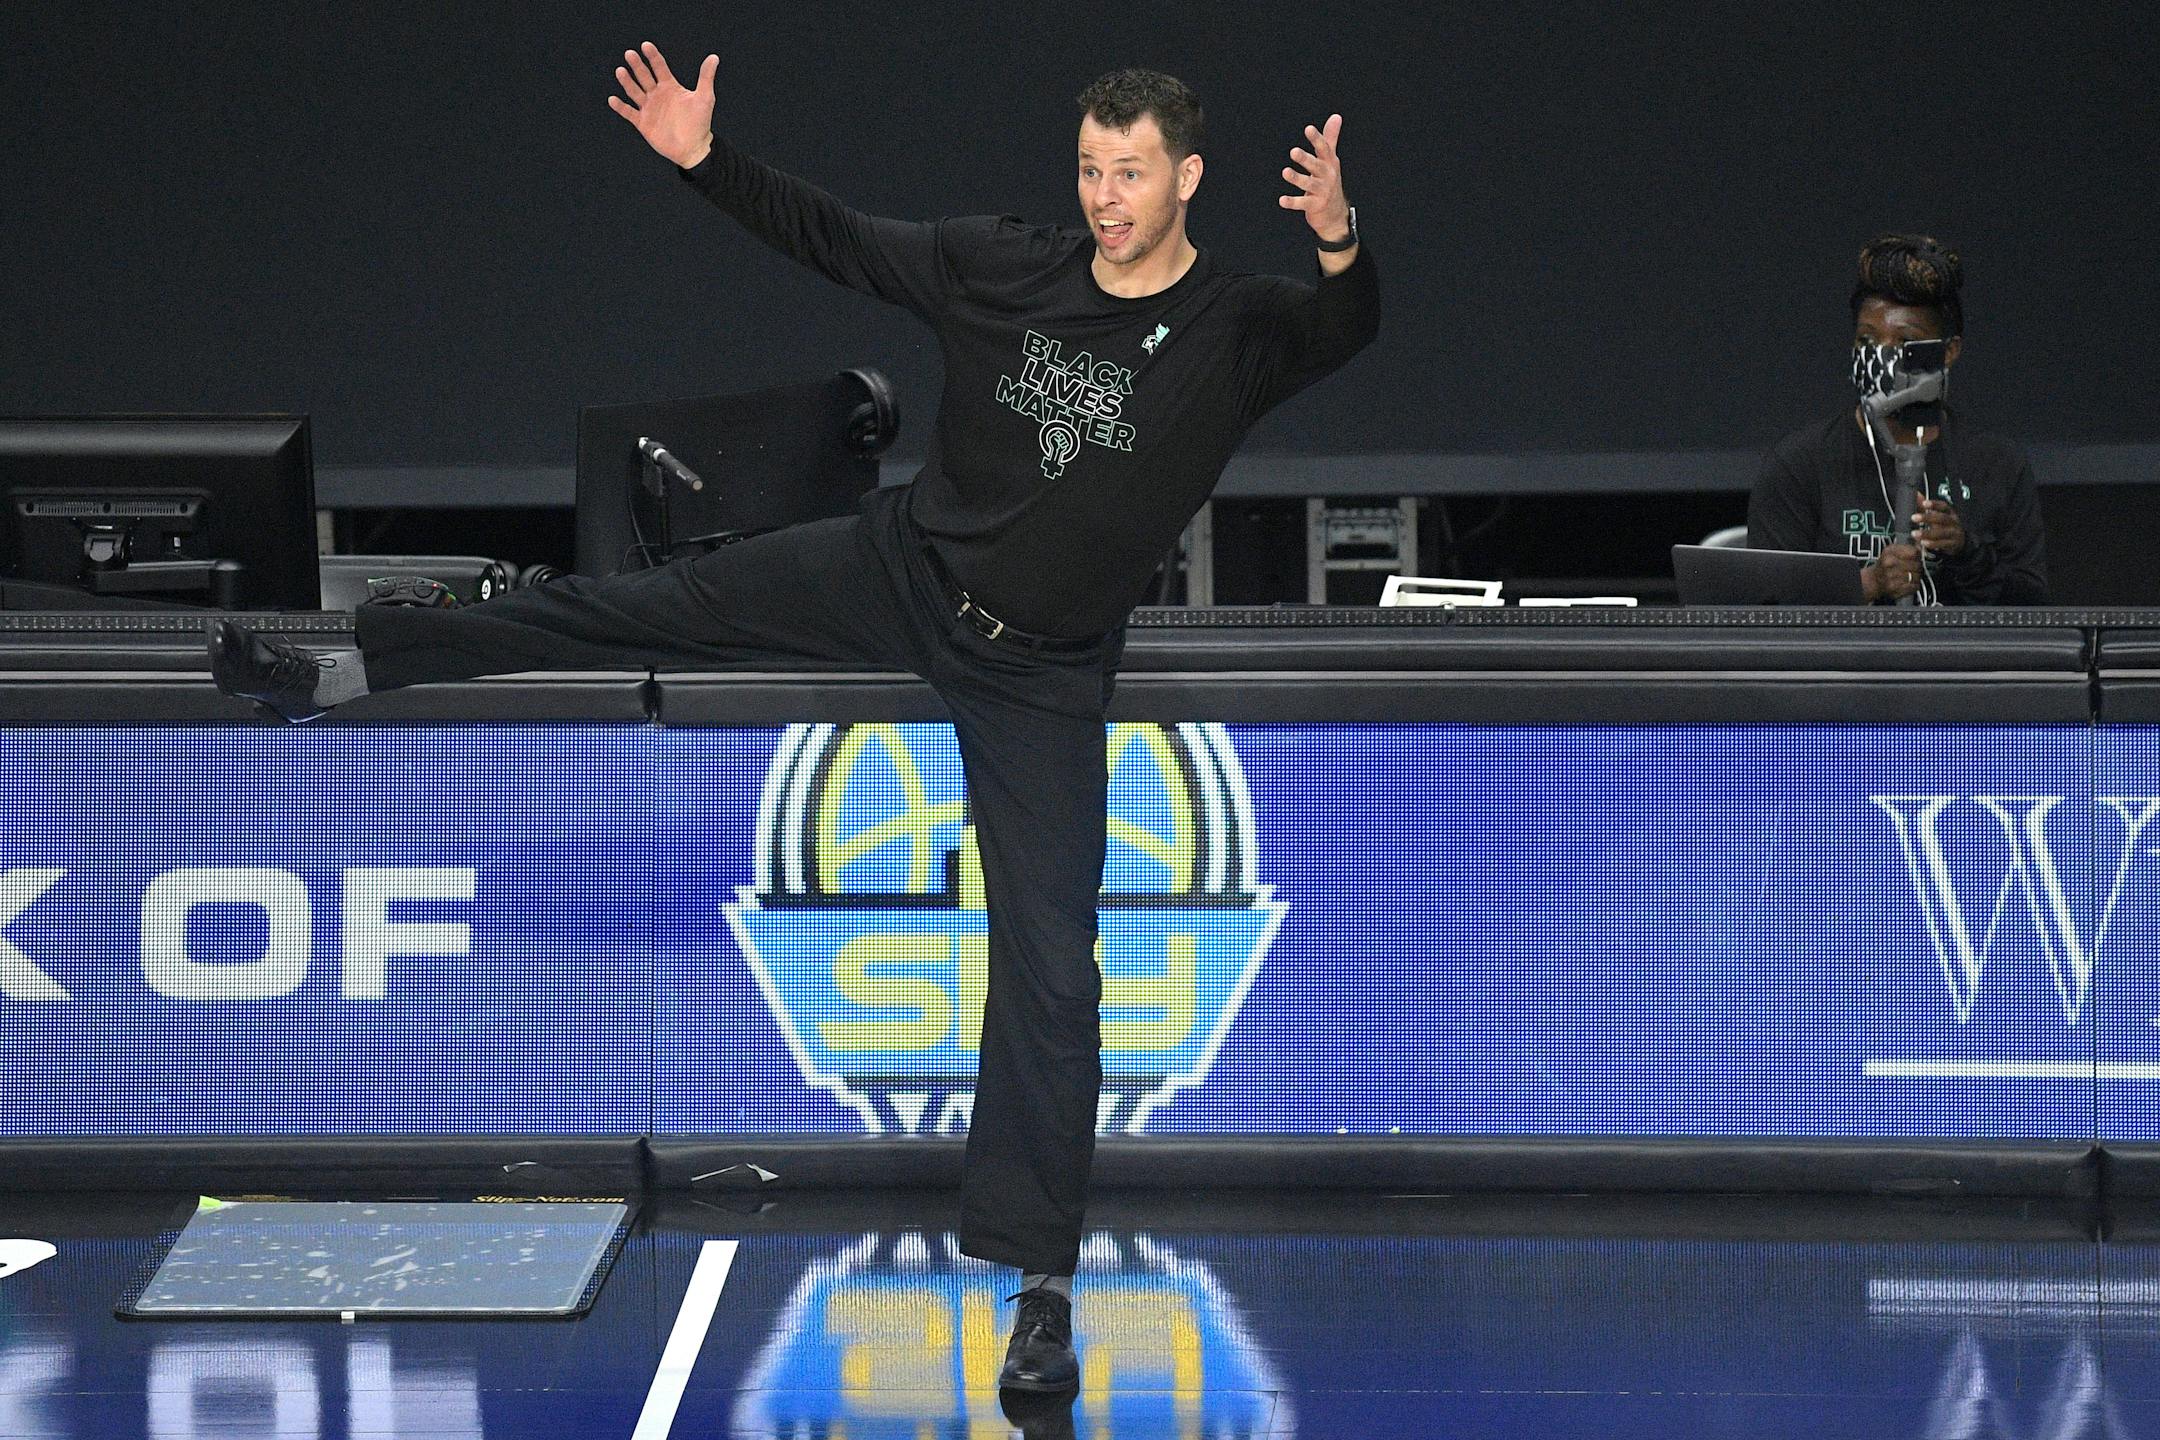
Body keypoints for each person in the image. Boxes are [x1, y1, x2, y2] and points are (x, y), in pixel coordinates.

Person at [208, 45, 1378, 1392]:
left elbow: (1347, 329)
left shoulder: (1234, 326)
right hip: (904, 573)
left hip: (1043, 670)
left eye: (1131, 175)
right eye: (1090, 171)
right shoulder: (1004, 264)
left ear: (1186, 178)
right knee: (645, 601)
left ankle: (1040, 1296)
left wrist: (1341, 237)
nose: (1107, 197)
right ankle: (348, 665)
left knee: (1056, 974)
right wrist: (706, 160)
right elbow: (833, 238)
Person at [1748, 233, 2047, 605]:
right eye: (1867, 341)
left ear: (1948, 351)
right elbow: (1764, 608)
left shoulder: (1997, 464)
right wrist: (1868, 584)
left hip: (1957, 661)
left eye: (1904, 342)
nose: (1881, 357)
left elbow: (2034, 610)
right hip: (1840, 663)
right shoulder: (1800, 463)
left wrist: (1966, 552)